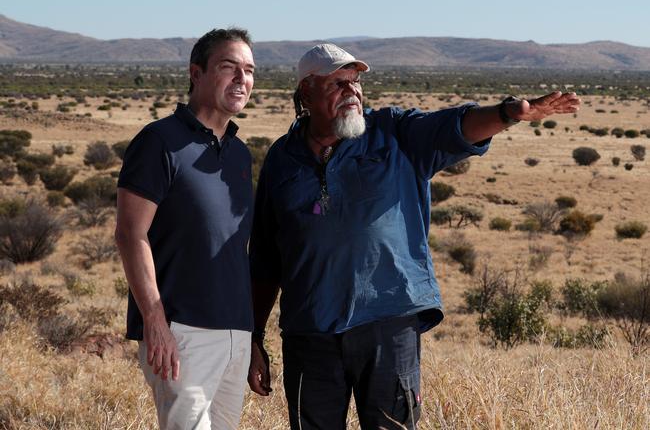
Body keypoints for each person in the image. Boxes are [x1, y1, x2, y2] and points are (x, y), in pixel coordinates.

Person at [247, 43, 580, 429]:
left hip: (388, 322)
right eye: (338, 84)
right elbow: (266, 260)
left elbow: (455, 126)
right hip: (310, 332)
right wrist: (254, 336)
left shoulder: (394, 133)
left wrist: (507, 113)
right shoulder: (282, 159)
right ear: (306, 91)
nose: (352, 92)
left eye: (355, 83)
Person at [115, 27, 256, 429]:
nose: (241, 79)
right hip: (182, 332)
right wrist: (155, 323)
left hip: (235, 332)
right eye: (229, 67)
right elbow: (130, 234)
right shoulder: (159, 142)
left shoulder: (239, 153)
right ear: (196, 73)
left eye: (248, 70)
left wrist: (250, 337)